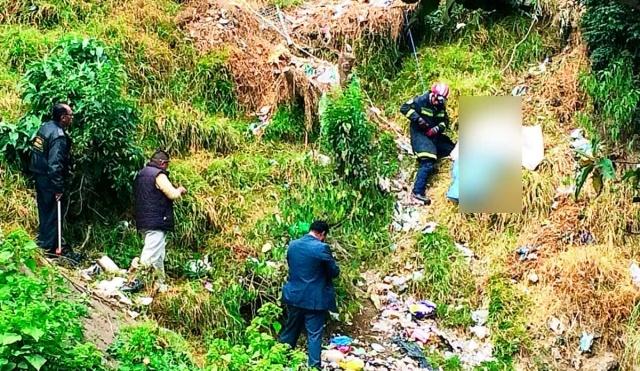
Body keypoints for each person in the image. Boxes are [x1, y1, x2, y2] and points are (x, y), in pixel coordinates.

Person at [278, 220, 340, 370]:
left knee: (290, 331)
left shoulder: (293, 245)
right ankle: (313, 367)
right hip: (315, 300)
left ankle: (278, 362)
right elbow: (334, 272)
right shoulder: (322, 248)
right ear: (323, 234)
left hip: (294, 297)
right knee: (314, 335)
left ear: (311, 230)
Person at [122, 150, 186, 292]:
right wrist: (180, 190)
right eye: (167, 165)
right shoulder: (158, 175)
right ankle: (135, 282)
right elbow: (172, 194)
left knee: (158, 253)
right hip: (157, 219)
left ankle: (159, 283)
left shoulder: (141, 174)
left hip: (143, 219)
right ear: (163, 163)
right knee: (150, 254)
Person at [29, 103, 80, 261]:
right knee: (52, 213)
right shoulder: (58, 136)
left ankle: (44, 243)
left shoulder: (45, 127)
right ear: (63, 117)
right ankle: (49, 249)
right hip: (50, 179)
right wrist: (58, 187)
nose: (72, 118)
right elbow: (55, 164)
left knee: (44, 211)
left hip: (40, 175)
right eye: (70, 115)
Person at [400, 82, 456, 205]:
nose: (439, 102)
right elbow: (404, 108)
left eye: (442, 100)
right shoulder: (421, 100)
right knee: (428, 160)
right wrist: (419, 120)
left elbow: (444, 121)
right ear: (433, 95)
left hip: (433, 135)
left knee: (453, 149)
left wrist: (436, 129)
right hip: (420, 135)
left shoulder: (440, 106)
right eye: (438, 99)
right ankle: (417, 193)